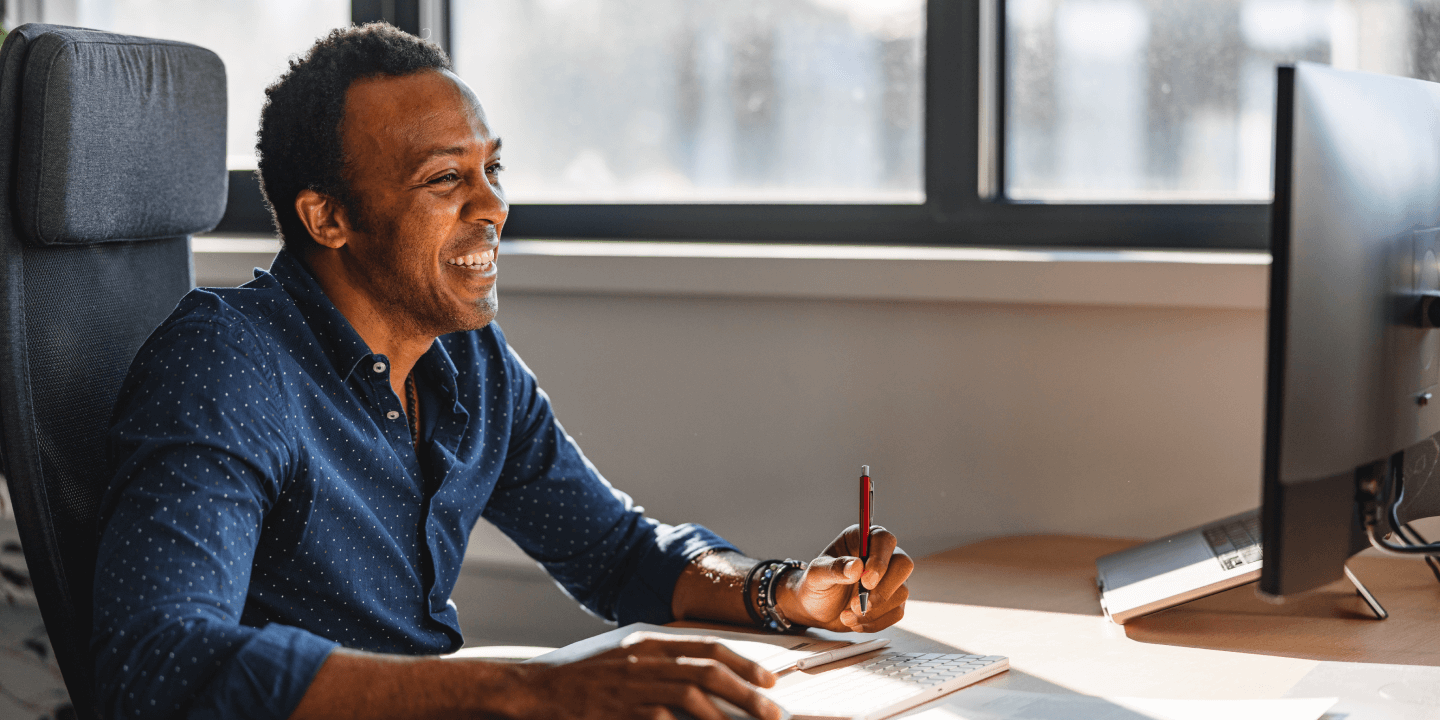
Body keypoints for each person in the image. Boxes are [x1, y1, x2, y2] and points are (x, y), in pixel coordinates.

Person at [91, 23, 912, 720]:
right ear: (328, 217)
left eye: (492, 169)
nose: (493, 206)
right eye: (447, 179)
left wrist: (782, 590)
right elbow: (156, 661)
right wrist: (523, 690)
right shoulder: (226, 365)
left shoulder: (466, 360)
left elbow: (621, 555)